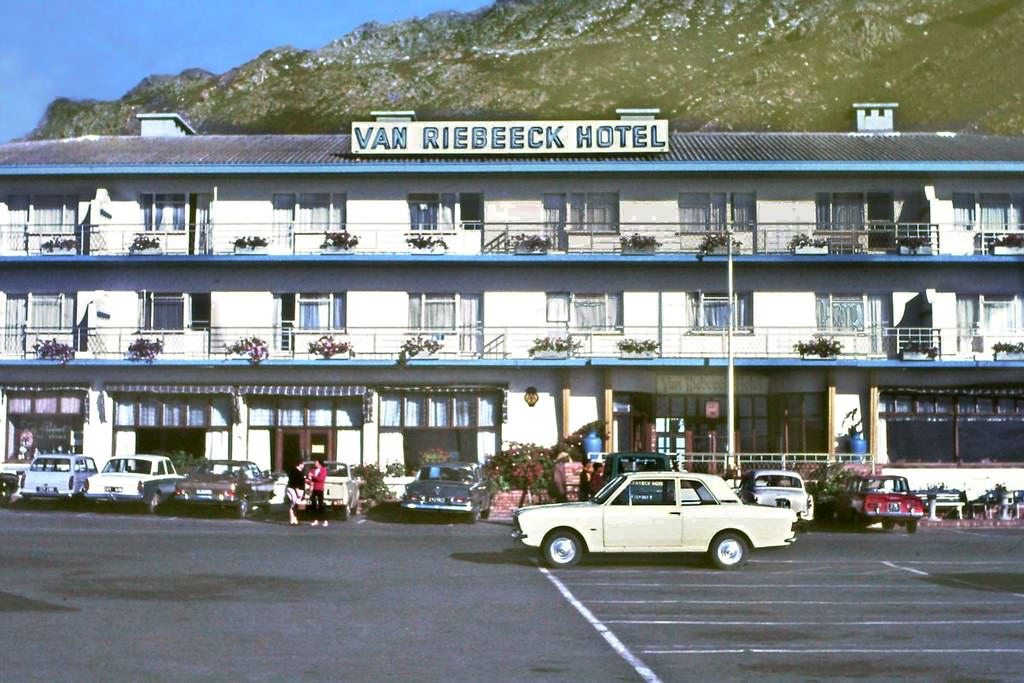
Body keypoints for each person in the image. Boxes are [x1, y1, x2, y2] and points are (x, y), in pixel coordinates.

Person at [307, 459, 328, 527]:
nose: (315, 463)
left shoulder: (323, 470)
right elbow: (309, 477)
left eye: (316, 462)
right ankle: (315, 520)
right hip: (313, 489)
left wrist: (313, 476)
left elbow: (321, 479)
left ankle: (324, 520)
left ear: (319, 463)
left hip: (319, 488)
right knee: (313, 504)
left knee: (321, 504)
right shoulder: (313, 470)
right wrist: (308, 478)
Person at [285, 460, 306, 526]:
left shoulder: (297, 471)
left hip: (296, 489)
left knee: (295, 505)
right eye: (303, 464)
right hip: (294, 489)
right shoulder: (296, 472)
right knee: (293, 504)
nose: (303, 466)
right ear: (299, 464)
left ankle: (294, 519)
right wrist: (298, 492)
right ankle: (292, 519)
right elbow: (296, 483)